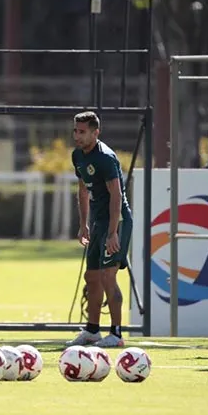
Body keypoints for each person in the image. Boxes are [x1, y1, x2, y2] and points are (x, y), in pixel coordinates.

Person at [66, 111, 133, 348]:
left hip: (117, 222)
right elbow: (83, 190)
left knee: (108, 277)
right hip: (98, 223)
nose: (77, 136)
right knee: (91, 277)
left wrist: (113, 232)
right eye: (76, 131)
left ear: (96, 133)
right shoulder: (78, 156)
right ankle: (92, 330)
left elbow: (116, 195)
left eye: (82, 132)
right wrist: (83, 223)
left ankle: (116, 333)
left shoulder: (105, 158)